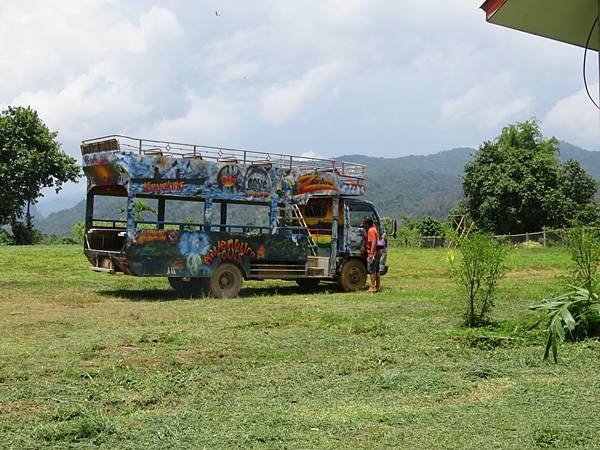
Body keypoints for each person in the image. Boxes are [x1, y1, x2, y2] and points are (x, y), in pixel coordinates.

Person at [363, 216, 381, 292]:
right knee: (377, 270)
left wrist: (371, 254)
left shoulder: (370, 231)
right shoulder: (374, 229)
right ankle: (378, 286)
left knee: (372, 270)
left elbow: (373, 242)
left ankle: (372, 287)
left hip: (373, 253)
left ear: (367, 223)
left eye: (364, 223)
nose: (363, 225)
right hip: (377, 253)